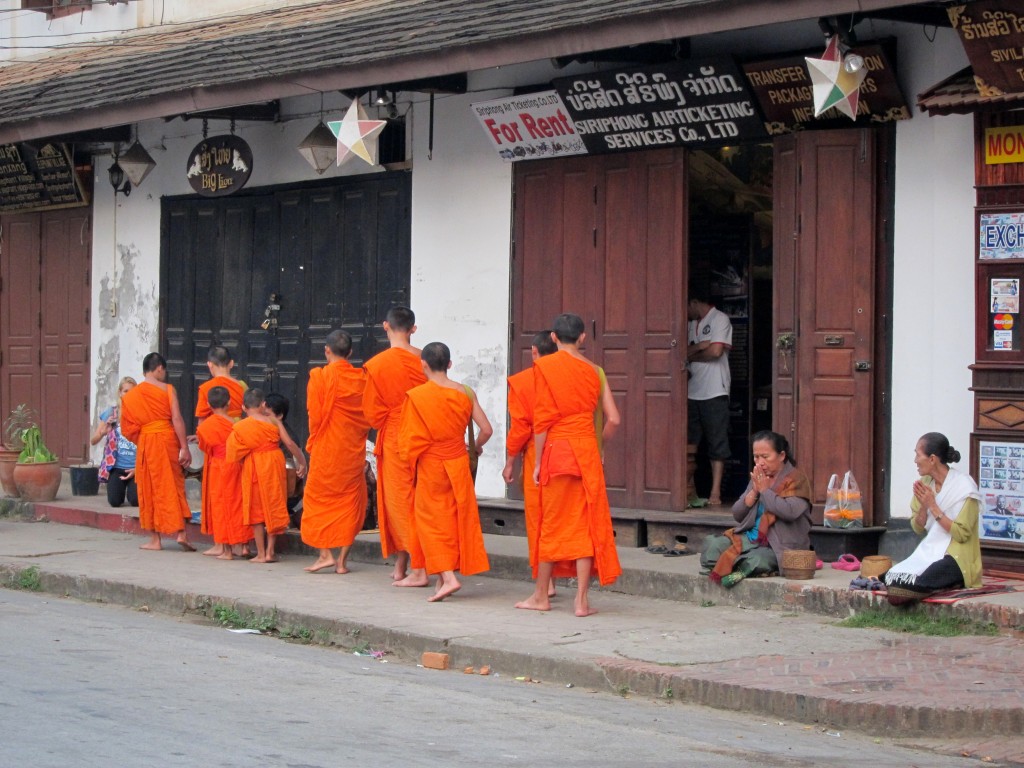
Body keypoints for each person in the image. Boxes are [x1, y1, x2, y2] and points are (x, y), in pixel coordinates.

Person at [515, 313, 622, 617]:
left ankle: (540, 596)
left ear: (553, 338)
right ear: (583, 338)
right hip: (586, 451)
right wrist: (596, 443)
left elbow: (542, 420)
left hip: (557, 451)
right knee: (585, 524)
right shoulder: (594, 370)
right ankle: (582, 601)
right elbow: (613, 418)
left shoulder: (545, 368)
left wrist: (537, 462)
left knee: (552, 523)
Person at [399, 341, 492, 601]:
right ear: (449, 364)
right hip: (458, 463)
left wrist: (409, 463)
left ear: (424, 365)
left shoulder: (417, 396)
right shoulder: (465, 392)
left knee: (429, 522)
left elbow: (408, 441)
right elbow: (486, 430)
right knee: (451, 520)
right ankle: (442, 580)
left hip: (431, 465)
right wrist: (471, 447)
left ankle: (449, 576)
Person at [362, 306, 429, 587]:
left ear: (385, 326)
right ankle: (403, 564)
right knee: (416, 500)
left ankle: (419, 569)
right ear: (414, 329)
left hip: (395, 437)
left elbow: (372, 414)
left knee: (399, 502)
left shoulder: (377, 364)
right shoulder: (426, 360)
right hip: (423, 434)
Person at [501, 330, 570, 596]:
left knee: (538, 518)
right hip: (566, 452)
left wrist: (509, 461)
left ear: (534, 352)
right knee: (561, 517)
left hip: (537, 456)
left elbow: (520, 428)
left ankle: (547, 583)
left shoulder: (525, 382)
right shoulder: (570, 377)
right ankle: (559, 575)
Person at [700, 430, 812, 588]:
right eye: (756, 457)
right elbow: (738, 515)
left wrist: (766, 491)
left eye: (765, 457)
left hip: (780, 545)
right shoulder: (759, 478)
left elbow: (790, 512)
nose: (759, 462)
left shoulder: (797, 480)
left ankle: (733, 565)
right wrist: (754, 491)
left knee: (757, 558)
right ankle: (736, 565)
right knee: (711, 545)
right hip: (750, 539)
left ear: (781, 456)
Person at [301, 329, 372, 574]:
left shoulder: (320, 377)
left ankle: (325, 555)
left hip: (327, 449)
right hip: (352, 450)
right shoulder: (361, 378)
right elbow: (368, 414)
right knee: (350, 502)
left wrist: (314, 437)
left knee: (317, 500)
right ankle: (342, 562)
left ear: (326, 351)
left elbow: (314, 416)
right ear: (350, 352)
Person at [883, 433, 982, 605]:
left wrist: (933, 506)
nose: (915, 460)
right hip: (931, 551)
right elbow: (917, 527)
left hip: (957, 556)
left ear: (932, 459)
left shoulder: (964, 487)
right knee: (892, 577)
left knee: (918, 582)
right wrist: (924, 506)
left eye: (918, 455)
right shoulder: (925, 483)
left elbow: (961, 534)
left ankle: (951, 581)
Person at [119, 353, 194, 552]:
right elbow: (177, 419)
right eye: (164, 370)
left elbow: (127, 428)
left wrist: (144, 436)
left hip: (147, 442)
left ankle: (155, 540)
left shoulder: (131, 396)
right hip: (167, 439)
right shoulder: (168, 390)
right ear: (159, 368)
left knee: (149, 488)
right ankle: (182, 533)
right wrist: (184, 447)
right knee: (174, 484)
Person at [227, 388, 306, 563]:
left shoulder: (240, 427)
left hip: (254, 464)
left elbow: (233, 453)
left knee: (256, 509)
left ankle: (261, 553)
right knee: (274, 504)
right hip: (274, 462)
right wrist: (303, 462)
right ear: (263, 404)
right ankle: (270, 552)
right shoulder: (273, 421)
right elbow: (290, 444)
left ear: (243, 407)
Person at [686, 294, 733, 506]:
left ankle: (715, 493)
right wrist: (698, 347)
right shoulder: (689, 324)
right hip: (690, 391)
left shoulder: (719, 319)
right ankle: (689, 490)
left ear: (695, 302)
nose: (685, 312)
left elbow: (715, 351)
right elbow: (679, 352)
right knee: (689, 443)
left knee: (717, 443)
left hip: (715, 390)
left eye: (686, 306)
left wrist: (691, 354)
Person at [195, 386, 250, 560]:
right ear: (229, 403)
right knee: (237, 503)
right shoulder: (236, 424)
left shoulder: (205, 427)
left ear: (209, 405)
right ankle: (243, 545)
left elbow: (204, 446)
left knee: (221, 505)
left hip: (218, 467)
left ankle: (227, 550)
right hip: (235, 465)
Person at [91, 376, 139, 508]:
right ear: (120, 392)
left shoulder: (141, 413)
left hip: (136, 468)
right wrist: (102, 433)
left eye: (132, 392)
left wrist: (138, 469)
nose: (129, 395)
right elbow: (93, 441)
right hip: (117, 467)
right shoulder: (112, 413)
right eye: (126, 391)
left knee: (135, 501)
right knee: (114, 501)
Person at [195, 345, 247, 424]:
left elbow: (202, 419)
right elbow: (251, 411)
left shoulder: (205, 388)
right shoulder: (242, 385)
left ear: (209, 364)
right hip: (237, 429)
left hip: (215, 429)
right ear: (231, 363)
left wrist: (200, 434)